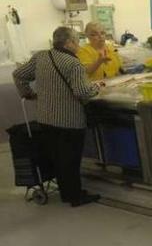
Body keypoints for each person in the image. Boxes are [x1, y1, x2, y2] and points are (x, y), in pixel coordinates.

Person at [13, 27, 102, 207]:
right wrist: (97, 87)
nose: (78, 45)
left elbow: (18, 75)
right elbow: (82, 92)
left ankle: (66, 193)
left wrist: (29, 94)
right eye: (76, 41)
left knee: (58, 158)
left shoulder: (41, 57)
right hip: (69, 120)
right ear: (68, 43)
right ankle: (76, 197)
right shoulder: (73, 63)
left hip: (46, 118)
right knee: (71, 159)